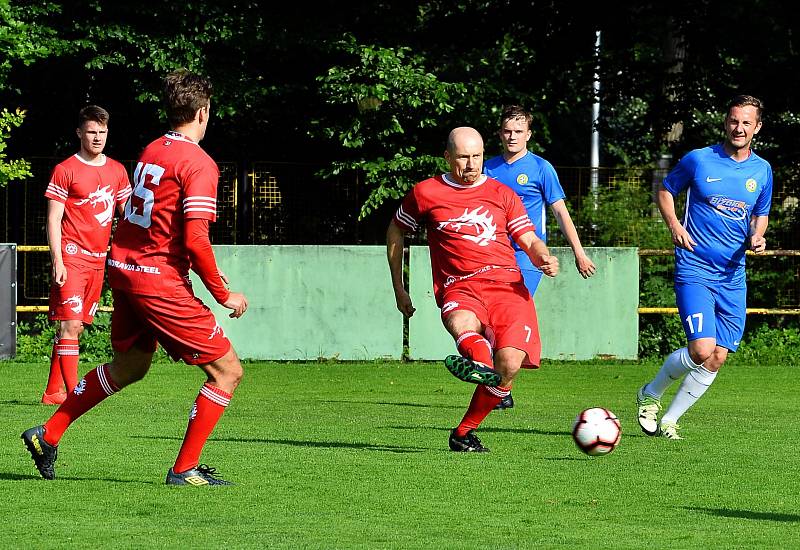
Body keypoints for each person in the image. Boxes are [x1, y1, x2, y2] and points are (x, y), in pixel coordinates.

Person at [22, 69, 249, 486]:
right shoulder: (198, 163)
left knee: (130, 366)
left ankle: (47, 434)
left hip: (125, 271)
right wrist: (223, 292)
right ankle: (184, 470)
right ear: (203, 113)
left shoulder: (154, 149)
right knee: (227, 371)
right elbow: (196, 238)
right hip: (158, 281)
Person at [387, 126, 559, 452]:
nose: (471, 165)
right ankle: (480, 365)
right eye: (463, 157)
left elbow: (528, 238)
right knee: (462, 324)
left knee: (508, 365)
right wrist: (399, 287)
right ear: (447, 157)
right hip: (458, 286)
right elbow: (395, 231)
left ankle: (463, 432)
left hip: (507, 286)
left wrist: (543, 257)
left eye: (477, 156)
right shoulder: (426, 193)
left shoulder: (502, 193)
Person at [636, 94, 772, 440]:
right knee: (701, 349)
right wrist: (674, 226)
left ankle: (670, 420)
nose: (738, 128)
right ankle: (649, 394)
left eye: (746, 122)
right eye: (733, 120)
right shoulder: (699, 160)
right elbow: (666, 191)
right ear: (725, 122)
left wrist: (758, 235)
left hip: (733, 275)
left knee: (718, 357)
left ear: (757, 127)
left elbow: (761, 213)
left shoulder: (762, 170)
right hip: (695, 268)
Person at [484, 105, 596, 409]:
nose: (512, 136)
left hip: (527, 257)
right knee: (488, 320)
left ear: (528, 135)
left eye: (518, 132)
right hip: (492, 255)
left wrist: (579, 252)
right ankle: (500, 385)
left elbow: (560, 211)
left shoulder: (541, 168)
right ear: (499, 133)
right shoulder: (488, 169)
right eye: (507, 131)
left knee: (508, 315)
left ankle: (500, 386)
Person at [41, 105, 132, 405]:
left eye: (102, 132)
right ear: (79, 132)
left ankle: (53, 391)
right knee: (70, 324)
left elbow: (128, 216)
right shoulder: (65, 169)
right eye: (91, 131)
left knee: (76, 325)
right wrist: (58, 260)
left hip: (98, 259)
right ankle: (72, 395)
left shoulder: (117, 170)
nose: (97, 138)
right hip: (72, 255)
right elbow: (54, 218)